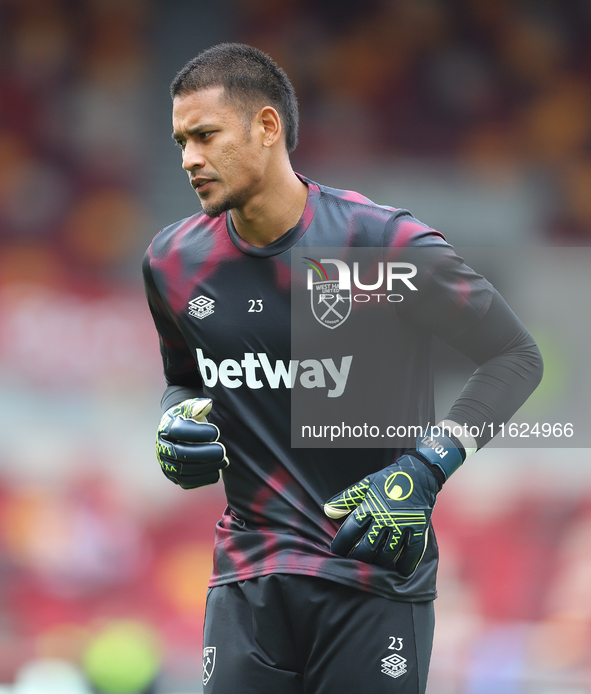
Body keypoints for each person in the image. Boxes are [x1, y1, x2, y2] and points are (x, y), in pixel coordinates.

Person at [142, 43, 543, 694]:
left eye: (205, 135)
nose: (189, 158)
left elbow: (514, 356)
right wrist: (174, 425)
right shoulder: (171, 262)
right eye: (181, 140)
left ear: (266, 128)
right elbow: (184, 380)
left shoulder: (381, 245)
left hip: (371, 574)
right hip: (249, 577)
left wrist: (424, 469)